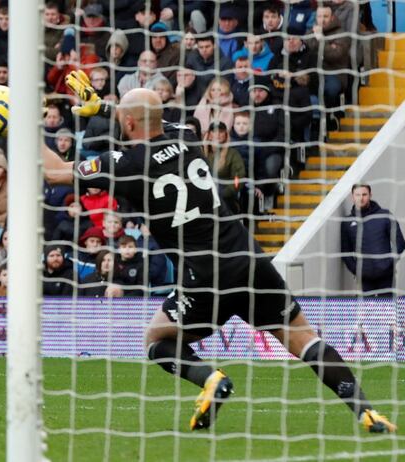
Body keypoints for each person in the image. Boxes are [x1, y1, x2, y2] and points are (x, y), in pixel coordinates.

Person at [44, 71, 397, 433]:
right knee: (303, 338)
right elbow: (147, 120)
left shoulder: (125, 165)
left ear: (128, 122)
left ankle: (210, 378)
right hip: (248, 258)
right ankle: (367, 412)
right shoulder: (187, 135)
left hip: (205, 275)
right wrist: (105, 107)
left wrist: (17, 126)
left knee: (156, 340)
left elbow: (54, 173)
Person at [340, 184, 405, 297]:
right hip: (363, 279)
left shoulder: (385, 216)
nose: (361, 198)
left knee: (386, 312)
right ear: (353, 197)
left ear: (370, 195)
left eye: (364, 194)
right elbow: (345, 253)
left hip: (385, 278)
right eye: (358, 195)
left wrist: (388, 264)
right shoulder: (347, 222)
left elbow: (400, 243)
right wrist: (356, 270)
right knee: (364, 313)